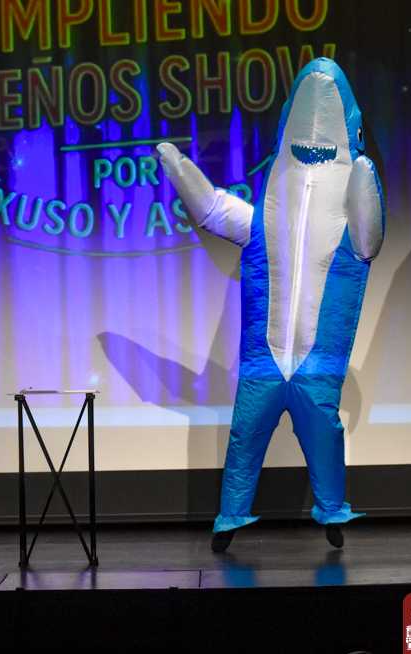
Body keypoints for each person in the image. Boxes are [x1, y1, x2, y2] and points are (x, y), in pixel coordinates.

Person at [157, 58, 385, 553]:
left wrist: (364, 179)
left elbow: (367, 240)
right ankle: (231, 516)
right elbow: (214, 210)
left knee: (323, 434)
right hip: (263, 360)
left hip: (317, 362)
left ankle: (331, 510)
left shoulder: (347, 223)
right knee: (245, 436)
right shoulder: (264, 222)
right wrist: (180, 170)